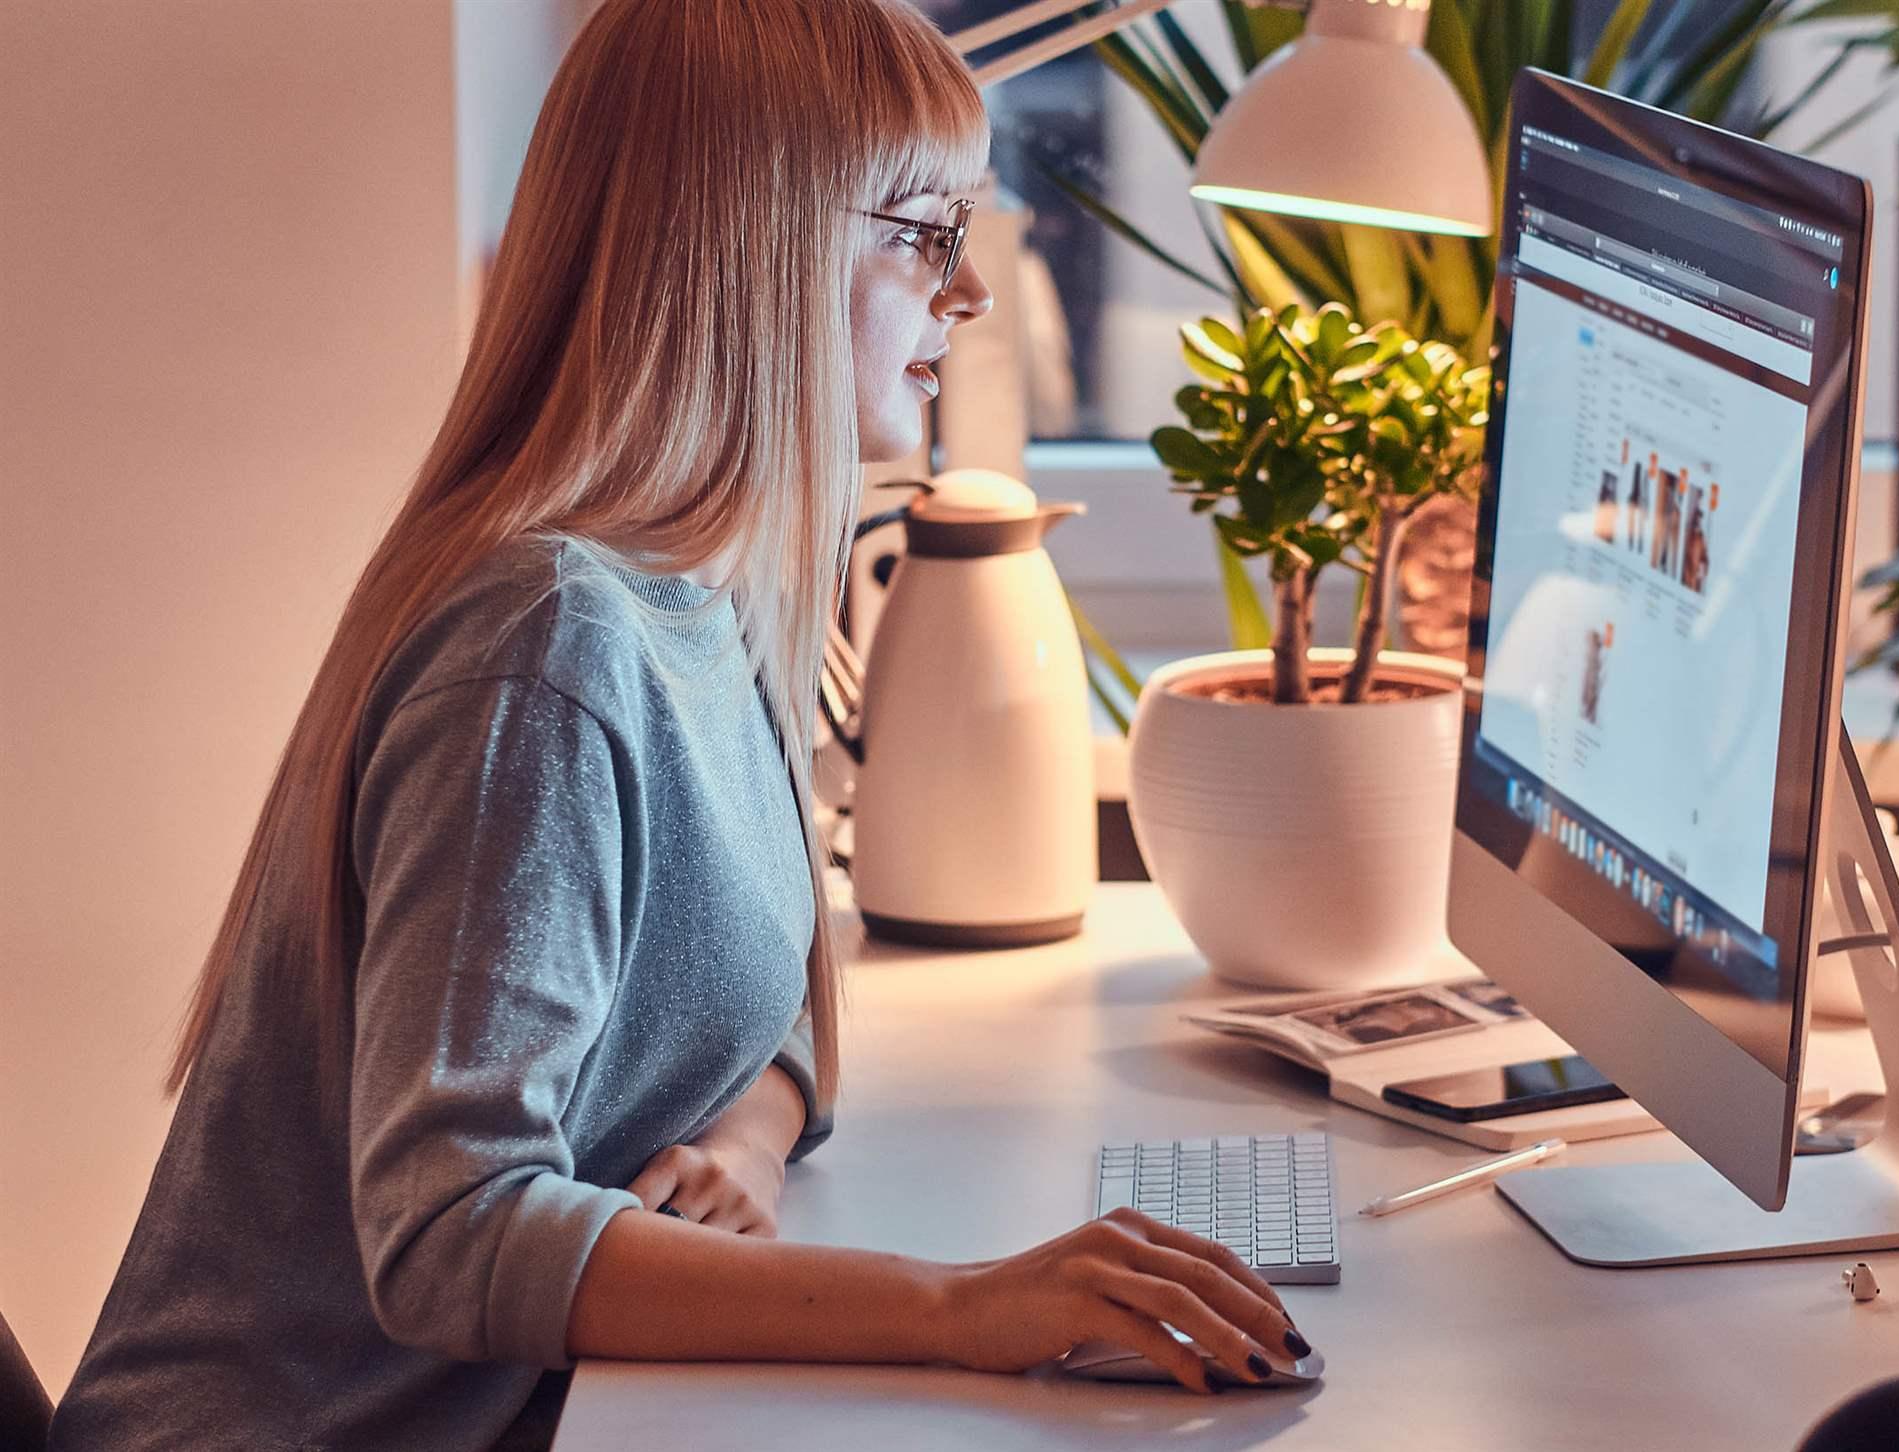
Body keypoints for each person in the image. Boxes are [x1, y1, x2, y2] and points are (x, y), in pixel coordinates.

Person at [48, 4, 1301, 1448]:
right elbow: (448, 1230)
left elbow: (781, 995)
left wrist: (741, 1147)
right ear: (759, 248)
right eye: (923, 231)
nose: (968, 297)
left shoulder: (706, 592)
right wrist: (962, 1308)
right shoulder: (545, 650)